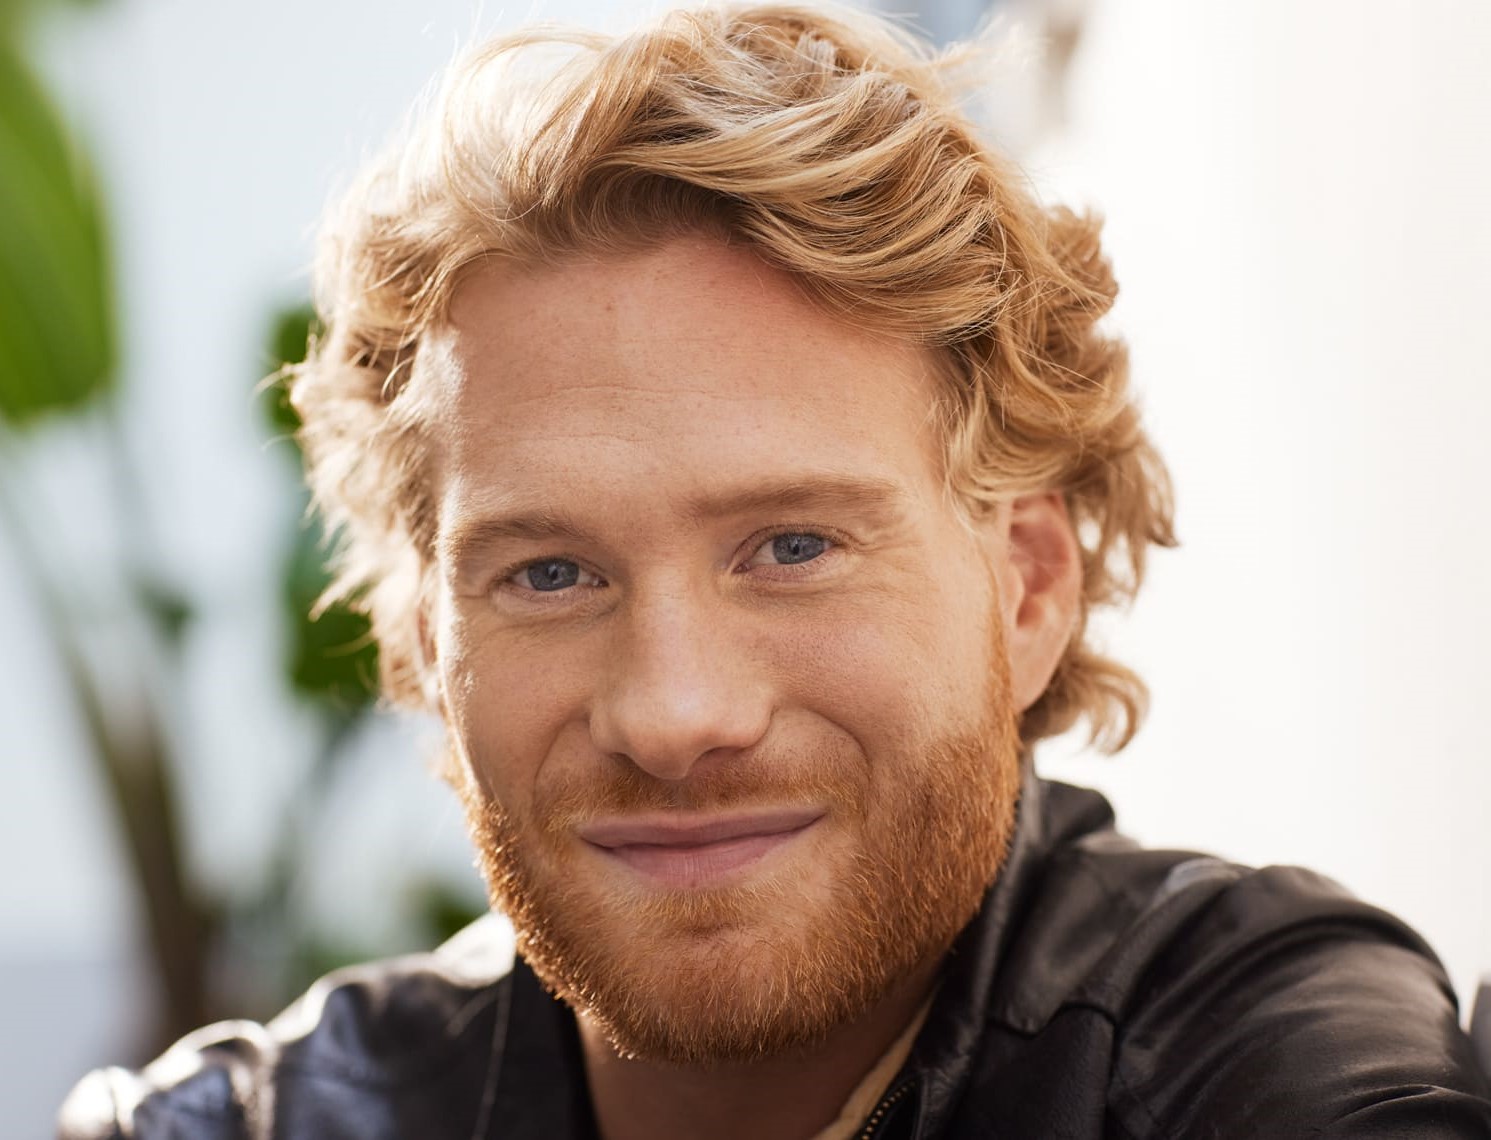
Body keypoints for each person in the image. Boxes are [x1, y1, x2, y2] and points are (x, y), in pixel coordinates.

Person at [58, 3, 1491, 1137]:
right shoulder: (252, 1123)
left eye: (794, 548)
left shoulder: (1249, 1056)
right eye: (550, 574)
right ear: (432, 641)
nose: (675, 715)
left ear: (1030, 586)